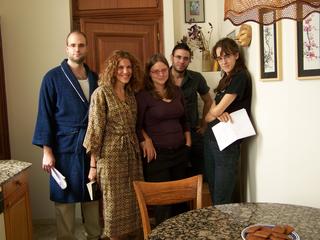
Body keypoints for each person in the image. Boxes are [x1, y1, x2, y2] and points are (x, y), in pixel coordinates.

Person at [32, 31, 101, 240]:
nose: (77, 49)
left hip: (90, 148)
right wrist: (47, 151)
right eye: (73, 45)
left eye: (81, 45)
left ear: (87, 48)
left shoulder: (94, 77)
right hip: (64, 148)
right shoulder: (52, 77)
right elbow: (45, 114)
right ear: (66, 48)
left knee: (92, 197)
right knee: (64, 199)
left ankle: (94, 235)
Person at [83, 50, 143, 240]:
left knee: (134, 202)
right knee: (113, 207)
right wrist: (93, 166)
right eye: (121, 67)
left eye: (128, 67)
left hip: (131, 156)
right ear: (112, 70)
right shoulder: (101, 93)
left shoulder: (130, 94)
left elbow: (135, 125)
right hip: (110, 159)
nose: (125, 71)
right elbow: (95, 132)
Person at [136, 53, 191, 225]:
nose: (161, 74)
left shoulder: (176, 91)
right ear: (149, 73)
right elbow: (136, 124)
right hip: (158, 157)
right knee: (163, 204)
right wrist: (146, 139)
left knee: (181, 201)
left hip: (180, 153)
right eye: (155, 71)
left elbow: (185, 120)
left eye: (163, 70)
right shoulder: (143, 95)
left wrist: (188, 143)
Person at [204, 38, 252, 205]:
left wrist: (215, 113)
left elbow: (214, 111)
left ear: (236, 55)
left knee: (222, 198)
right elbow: (208, 116)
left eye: (227, 56)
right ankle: (220, 229)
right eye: (219, 58)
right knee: (214, 190)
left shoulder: (240, 77)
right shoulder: (226, 78)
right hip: (211, 139)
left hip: (227, 143)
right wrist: (214, 114)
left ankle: (224, 230)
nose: (223, 61)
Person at [170, 42, 213, 177]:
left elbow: (208, 101)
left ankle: (199, 198)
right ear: (172, 57)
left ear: (189, 60)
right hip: (171, 134)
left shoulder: (196, 78)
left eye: (185, 58)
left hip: (194, 133)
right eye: (178, 57)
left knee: (202, 173)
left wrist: (204, 125)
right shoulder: (162, 77)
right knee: (177, 174)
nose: (181, 61)